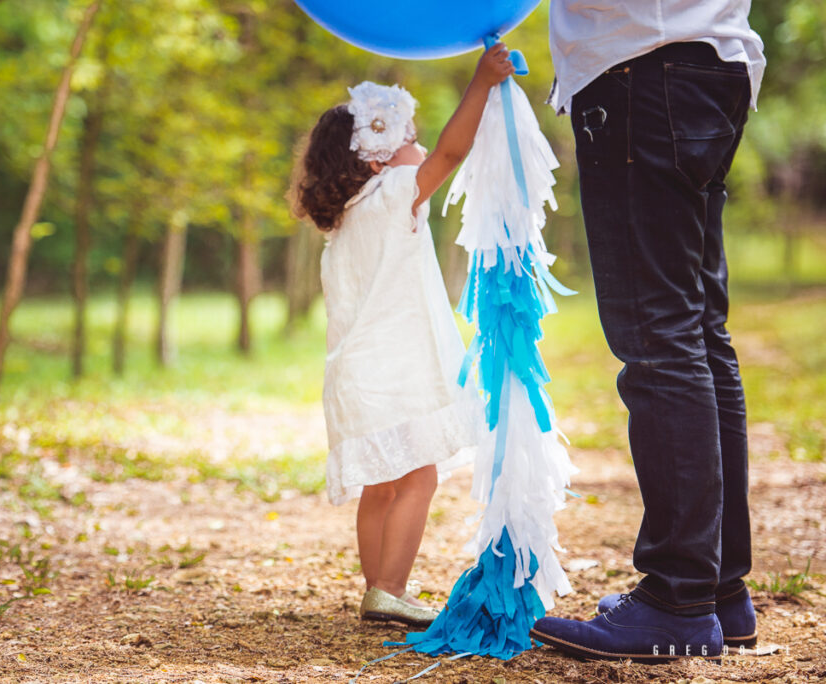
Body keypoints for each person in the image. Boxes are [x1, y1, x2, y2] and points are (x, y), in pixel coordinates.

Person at [529, 1, 765, 663]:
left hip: (643, 66)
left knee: (660, 337)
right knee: (694, 332)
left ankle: (679, 600)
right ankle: (716, 591)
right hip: (707, 64)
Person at [291, 44, 515, 626]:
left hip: (354, 374)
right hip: (396, 368)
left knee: (381, 486)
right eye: (405, 140)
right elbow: (454, 149)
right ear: (375, 162)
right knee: (419, 475)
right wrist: (481, 81)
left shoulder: (343, 222)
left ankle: (378, 588)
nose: (417, 145)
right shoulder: (395, 196)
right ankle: (389, 586)